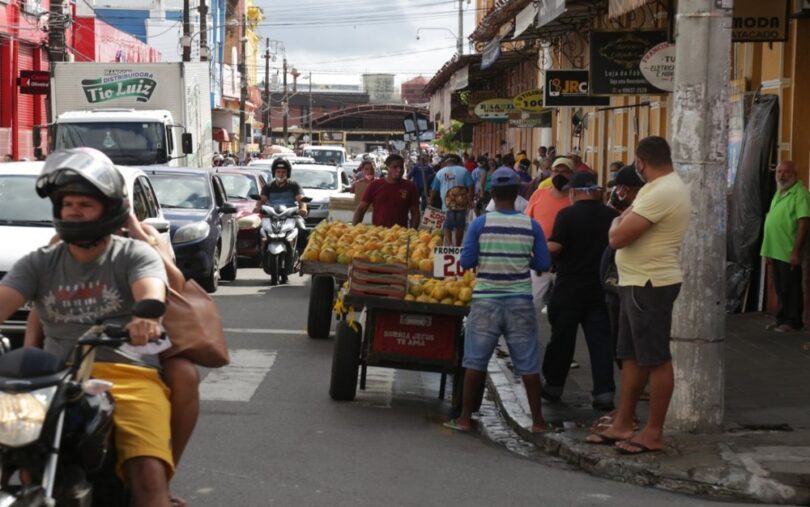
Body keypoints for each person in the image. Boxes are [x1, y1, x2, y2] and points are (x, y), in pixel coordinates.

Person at [0, 148, 174, 507]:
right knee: (22, 456)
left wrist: (147, 317)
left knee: (147, 472)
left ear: (108, 210)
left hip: (127, 373)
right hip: (51, 379)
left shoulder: (133, 254)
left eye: (85, 204)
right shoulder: (39, 262)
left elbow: (150, 289)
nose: (74, 211)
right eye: (68, 204)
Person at [597, 136, 691, 455]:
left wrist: (616, 221)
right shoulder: (654, 188)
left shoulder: (664, 191)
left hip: (650, 283)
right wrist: (620, 220)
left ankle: (653, 432)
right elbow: (625, 218)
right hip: (634, 281)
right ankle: (623, 421)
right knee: (631, 355)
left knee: (655, 358)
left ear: (640, 162)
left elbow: (618, 237)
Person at [444, 167, 551, 434]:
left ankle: (464, 418)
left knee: (475, 361)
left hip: (486, 300)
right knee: (528, 364)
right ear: (517, 194)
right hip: (520, 302)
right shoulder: (531, 225)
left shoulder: (480, 224)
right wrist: (524, 259)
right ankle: (538, 422)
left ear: (492, 193)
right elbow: (543, 263)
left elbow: (466, 260)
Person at [541, 171, 618, 411]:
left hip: (569, 288)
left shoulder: (567, 215)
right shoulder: (611, 215)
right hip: (600, 289)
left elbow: (556, 246)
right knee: (600, 343)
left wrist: (540, 251)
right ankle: (604, 394)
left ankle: (553, 387)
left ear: (574, 192)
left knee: (562, 340)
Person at [761, 161, 810, 332]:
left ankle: (793, 321)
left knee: (791, 287)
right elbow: (773, 221)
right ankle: (781, 318)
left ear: (795, 174)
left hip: (789, 250)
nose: (782, 175)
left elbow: (804, 222)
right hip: (775, 249)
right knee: (780, 287)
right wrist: (767, 249)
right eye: (779, 172)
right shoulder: (780, 192)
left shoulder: (800, 194)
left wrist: (796, 251)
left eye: (786, 172)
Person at [524, 157, 574, 313]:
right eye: (556, 171)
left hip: (568, 259)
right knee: (532, 301)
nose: (559, 175)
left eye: (564, 171)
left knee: (566, 306)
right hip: (540, 257)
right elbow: (527, 222)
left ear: (572, 174)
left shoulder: (575, 197)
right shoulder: (539, 194)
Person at [254, 158, 308, 285]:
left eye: (283, 172)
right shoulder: (268, 186)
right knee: (258, 230)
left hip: (291, 216)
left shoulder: (294, 185)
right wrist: (257, 207)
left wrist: (303, 208)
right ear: (274, 172)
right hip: (272, 216)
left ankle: (302, 258)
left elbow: (301, 199)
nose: (281, 174)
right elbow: (261, 200)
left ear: (288, 173)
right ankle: (260, 255)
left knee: (302, 230)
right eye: (278, 171)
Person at [353, 153, 420, 228]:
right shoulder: (374, 185)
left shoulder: (410, 187)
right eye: (395, 167)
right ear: (387, 168)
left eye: (401, 167)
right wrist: (354, 229)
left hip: (400, 233)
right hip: (378, 233)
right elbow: (361, 209)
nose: (399, 170)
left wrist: (412, 231)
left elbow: (415, 213)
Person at [429, 154, 475, 246]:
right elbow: (471, 185)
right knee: (460, 226)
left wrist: (431, 200)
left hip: (446, 205)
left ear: (446, 162)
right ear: (457, 161)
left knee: (447, 226)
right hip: (461, 204)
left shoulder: (440, 172)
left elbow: (434, 189)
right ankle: (457, 246)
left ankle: (450, 245)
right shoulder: (464, 171)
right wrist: (470, 199)